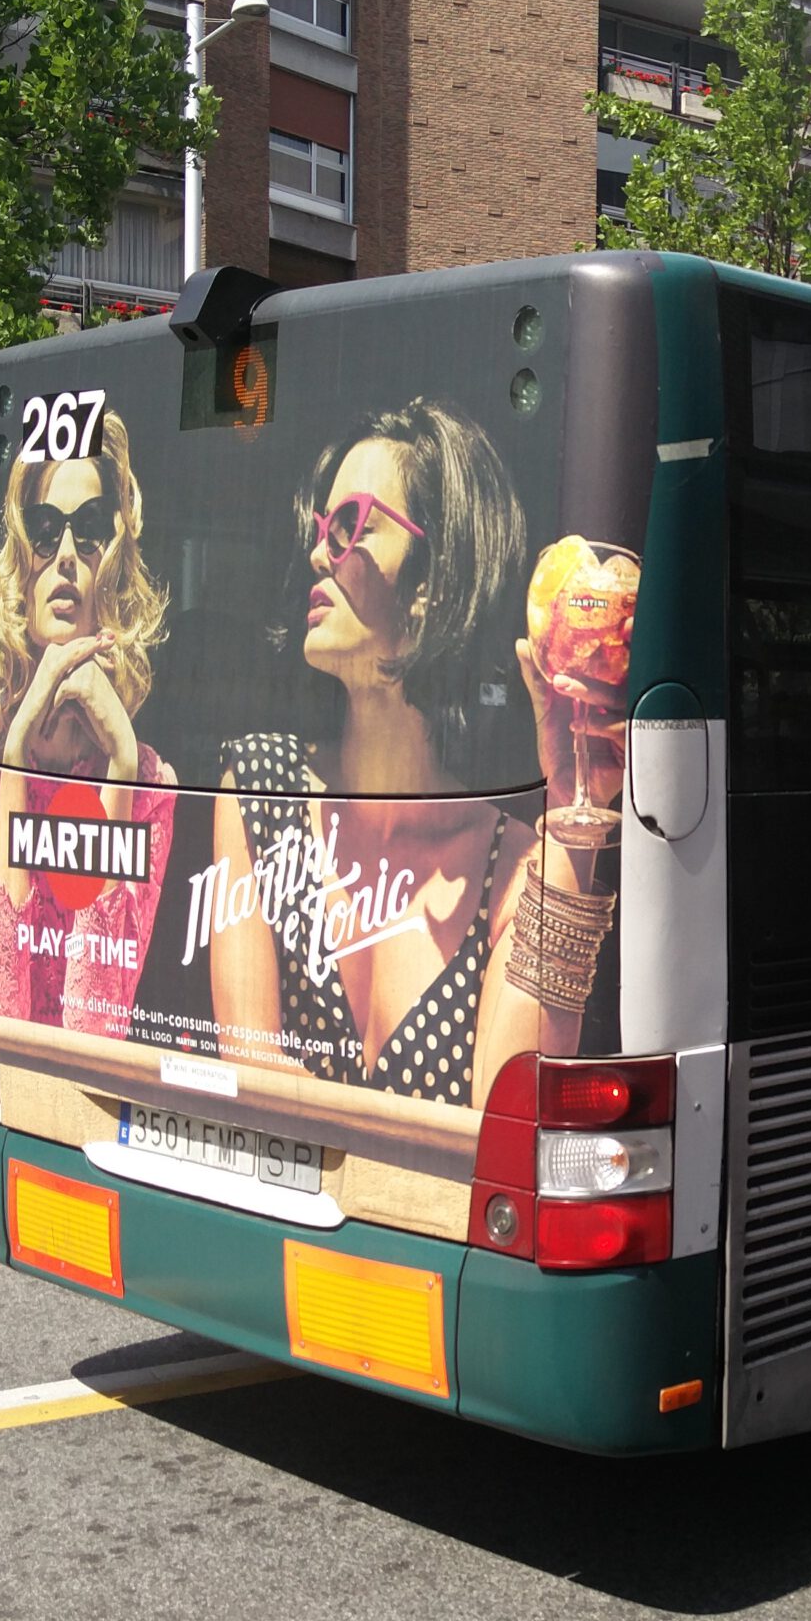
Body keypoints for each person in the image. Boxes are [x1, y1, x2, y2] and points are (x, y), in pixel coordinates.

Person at [209, 399, 601, 1106]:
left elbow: (507, 1115)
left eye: (350, 526)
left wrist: (576, 817)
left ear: (432, 582)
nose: (318, 552)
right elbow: (250, 1080)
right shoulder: (259, 788)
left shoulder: (512, 866)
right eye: (321, 528)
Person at [0, 411, 174, 1033]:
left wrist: (121, 769)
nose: (69, 556)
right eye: (46, 531)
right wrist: (15, 756)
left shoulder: (149, 780)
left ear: (116, 557)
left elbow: (94, 1025)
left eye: (92, 529)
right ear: (21, 561)